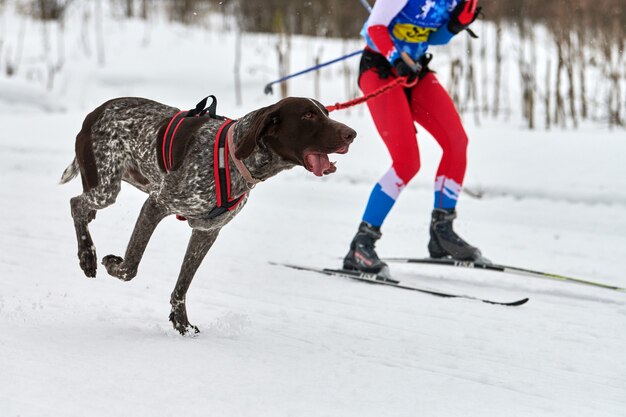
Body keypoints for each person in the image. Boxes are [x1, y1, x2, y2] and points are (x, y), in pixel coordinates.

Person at [343, 0, 484, 276]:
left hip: (415, 71)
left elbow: (434, 37)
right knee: (407, 162)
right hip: (380, 70)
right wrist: (396, 57)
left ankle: (441, 232)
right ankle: (362, 244)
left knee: (457, 142)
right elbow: (375, 28)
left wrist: (455, 25)